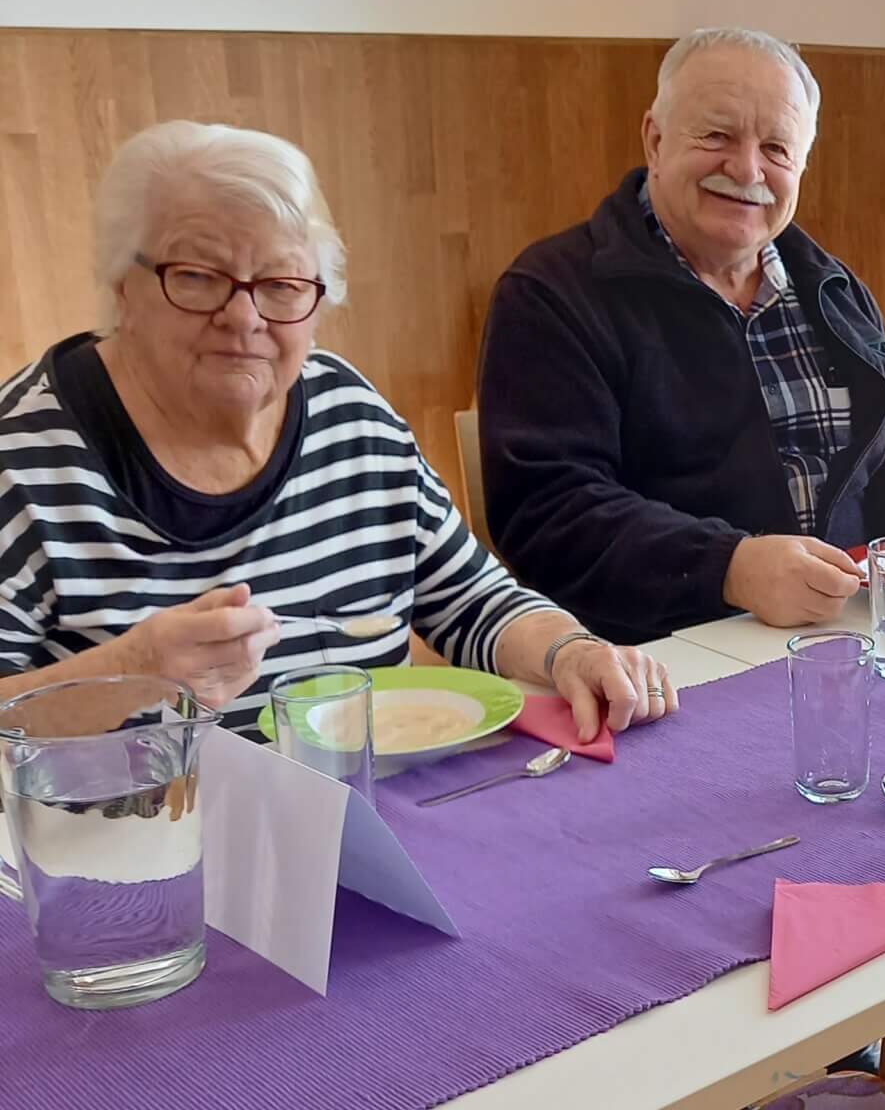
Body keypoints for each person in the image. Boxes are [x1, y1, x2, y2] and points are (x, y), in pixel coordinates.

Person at [0, 121, 678, 737]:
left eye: (282, 285)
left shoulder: (347, 413)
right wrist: (138, 669)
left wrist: (572, 651)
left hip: (360, 820)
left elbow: (468, 599)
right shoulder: (23, 463)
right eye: (200, 277)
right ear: (123, 283)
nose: (245, 318)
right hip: (119, 848)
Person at [478, 26, 885, 644]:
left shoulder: (831, 290)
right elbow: (548, 513)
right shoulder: (551, 294)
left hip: (849, 643)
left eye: (777, 149)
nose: (746, 168)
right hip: (655, 664)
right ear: (655, 140)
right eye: (716, 136)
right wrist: (729, 568)